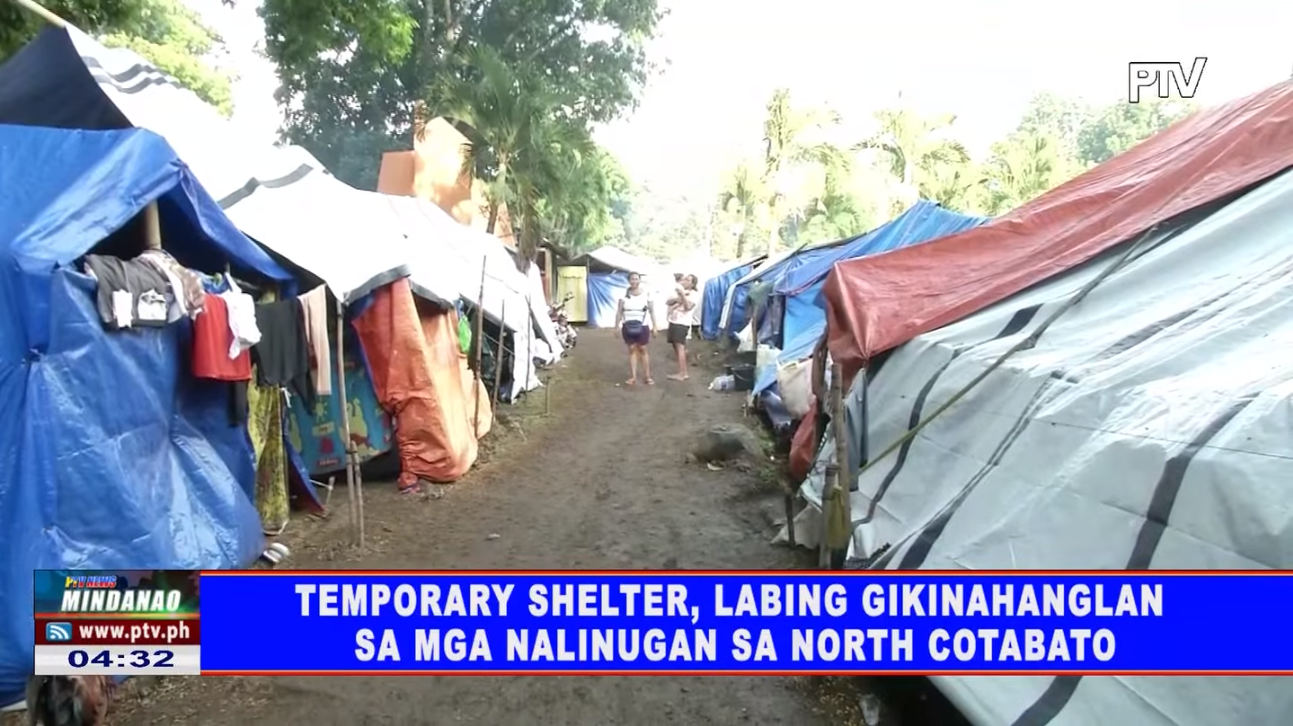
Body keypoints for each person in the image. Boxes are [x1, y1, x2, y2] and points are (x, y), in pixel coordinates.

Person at [615, 272, 658, 385]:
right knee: (632, 349)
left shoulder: (647, 294)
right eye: (632, 279)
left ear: (639, 280)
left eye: (636, 279)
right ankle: (633, 376)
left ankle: (647, 376)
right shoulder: (623, 295)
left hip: (643, 325)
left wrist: (655, 326)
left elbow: (652, 311)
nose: (634, 281)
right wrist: (616, 327)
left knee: (643, 349)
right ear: (629, 281)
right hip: (627, 326)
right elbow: (619, 312)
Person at [665, 274, 699, 381]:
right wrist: (678, 297)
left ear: (693, 284)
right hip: (673, 320)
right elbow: (668, 302)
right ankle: (682, 370)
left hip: (682, 323)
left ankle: (683, 373)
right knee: (676, 346)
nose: (685, 281)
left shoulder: (694, 294)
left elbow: (688, 307)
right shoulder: (676, 292)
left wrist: (682, 296)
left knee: (680, 347)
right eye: (685, 279)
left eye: (688, 280)